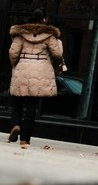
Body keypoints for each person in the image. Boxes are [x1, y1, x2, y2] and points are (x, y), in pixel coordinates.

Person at [7, 8, 64, 149]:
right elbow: (57, 54)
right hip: (40, 70)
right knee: (32, 106)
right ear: (44, 19)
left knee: (17, 101)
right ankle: (25, 140)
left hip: (22, 68)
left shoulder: (20, 34)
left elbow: (13, 53)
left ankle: (15, 125)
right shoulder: (49, 35)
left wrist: (16, 65)